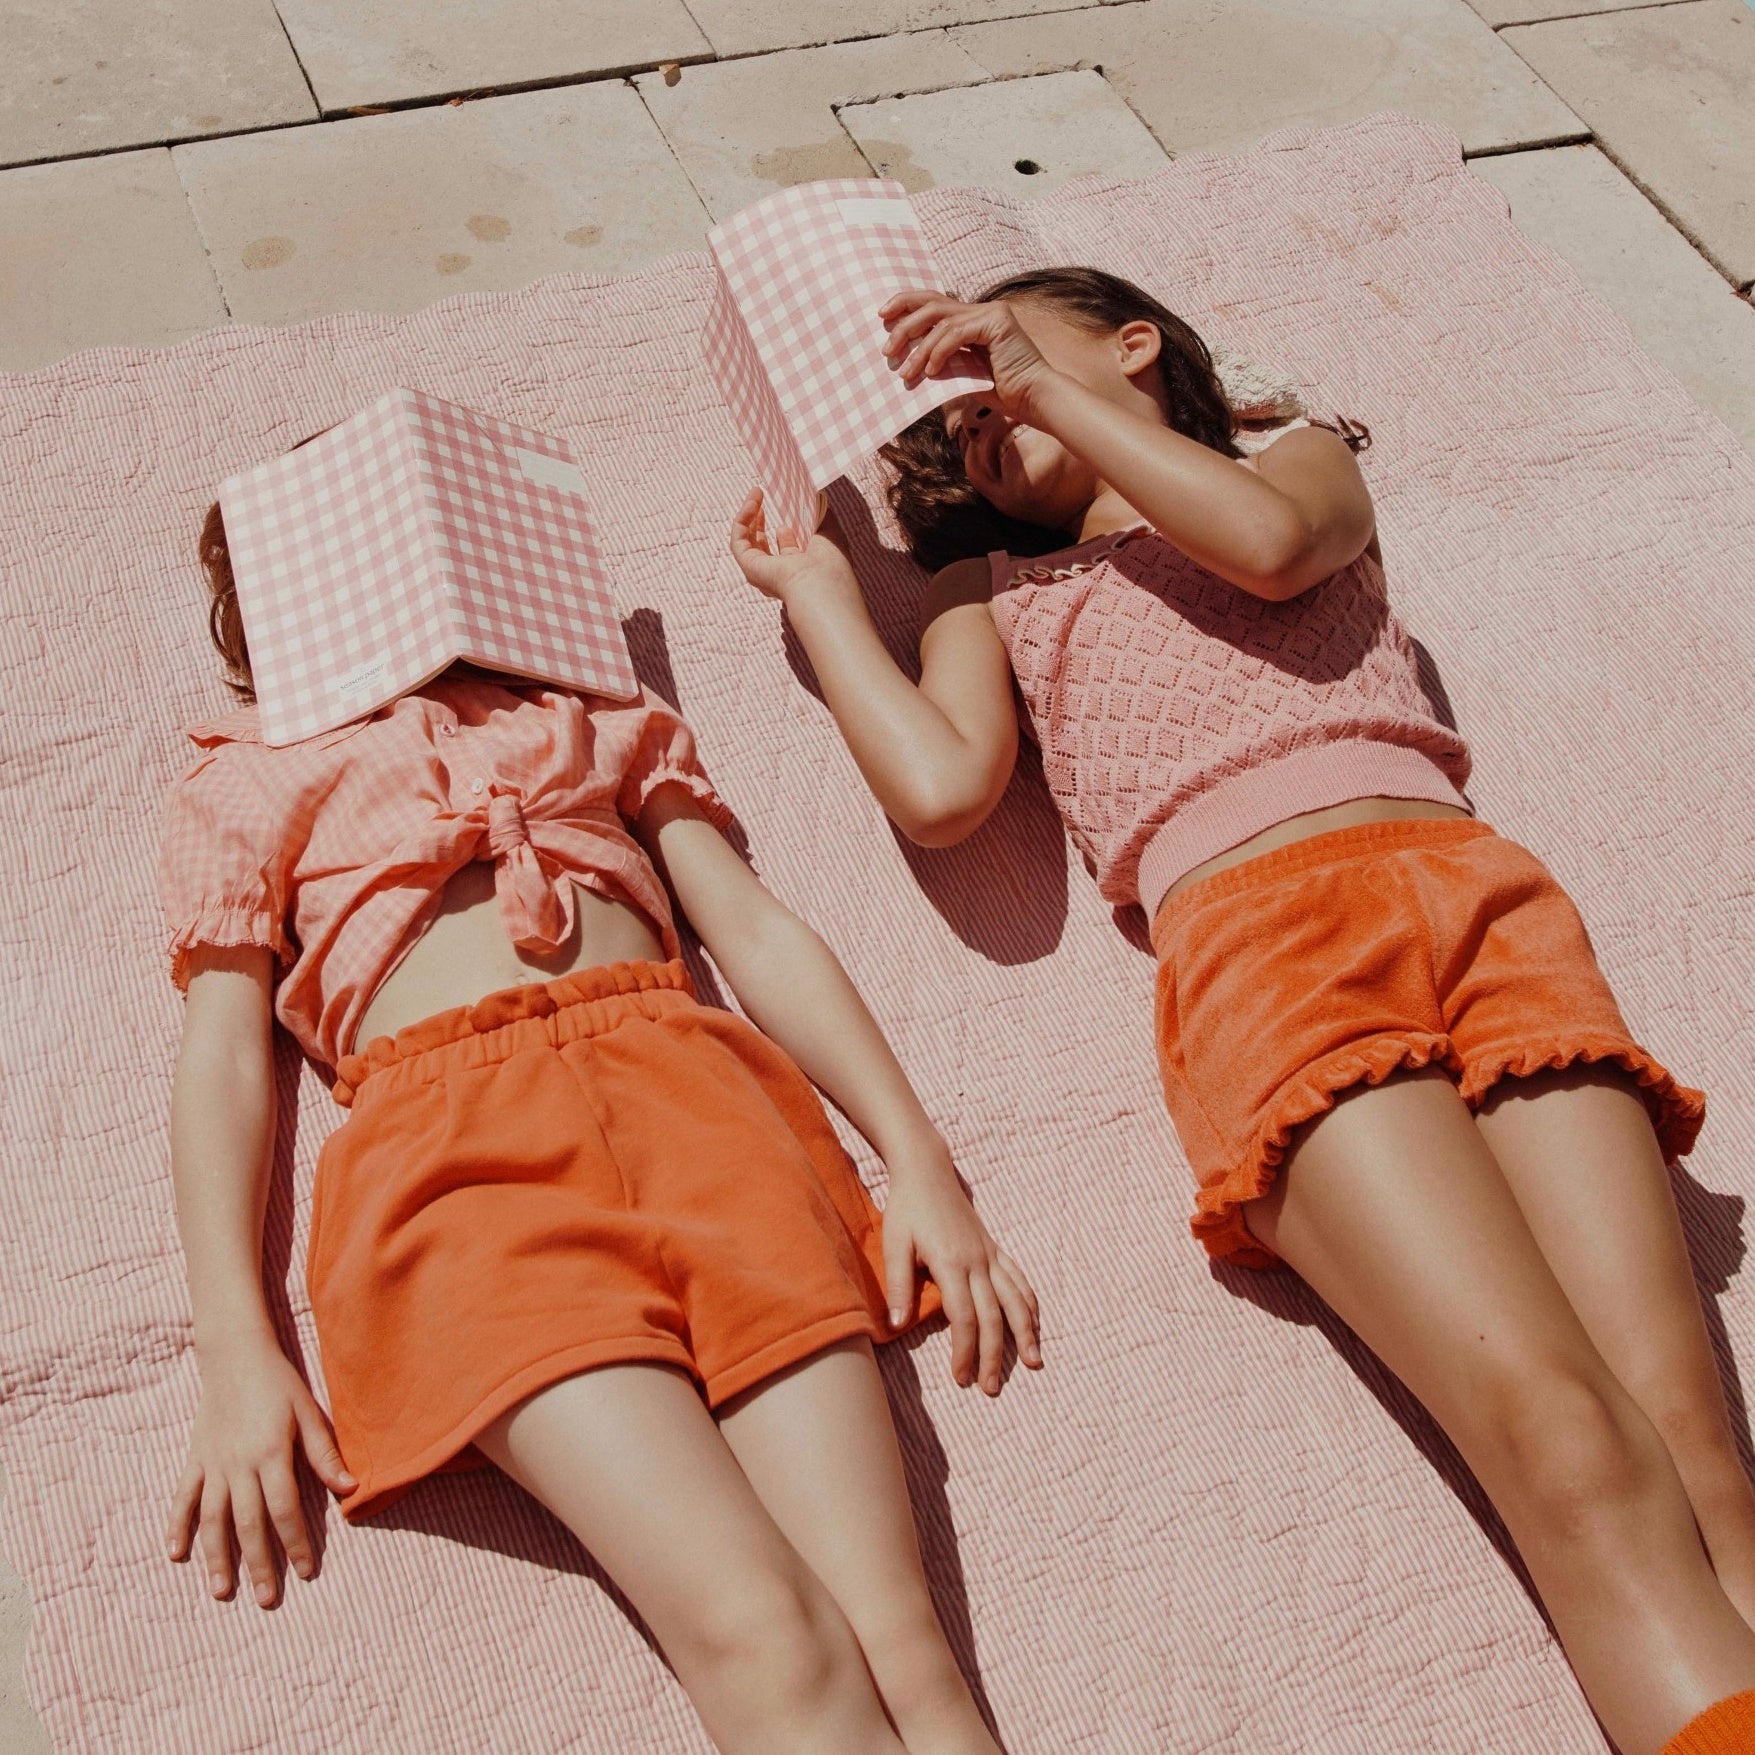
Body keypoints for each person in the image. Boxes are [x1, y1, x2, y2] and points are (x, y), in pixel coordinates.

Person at [728, 264, 1755, 1755]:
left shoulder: (1292, 456)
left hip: (1476, 903)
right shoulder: (989, 591)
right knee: (1564, 1439)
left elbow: (1270, 550)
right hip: (1264, 955)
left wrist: (1034, 379)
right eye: (951, 421)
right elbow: (944, 789)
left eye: (989, 371)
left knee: (1695, 1446)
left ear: (1134, 346)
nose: (971, 413)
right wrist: (825, 594)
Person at [160, 488, 1042, 1755]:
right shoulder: (247, 773)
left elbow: (752, 930)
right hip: (462, 1175)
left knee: (904, 1646)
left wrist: (918, 1160)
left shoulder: (589, 709)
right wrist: (236, 1347)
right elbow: (223, 1062)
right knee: (762, 1633)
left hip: (699, 1112)